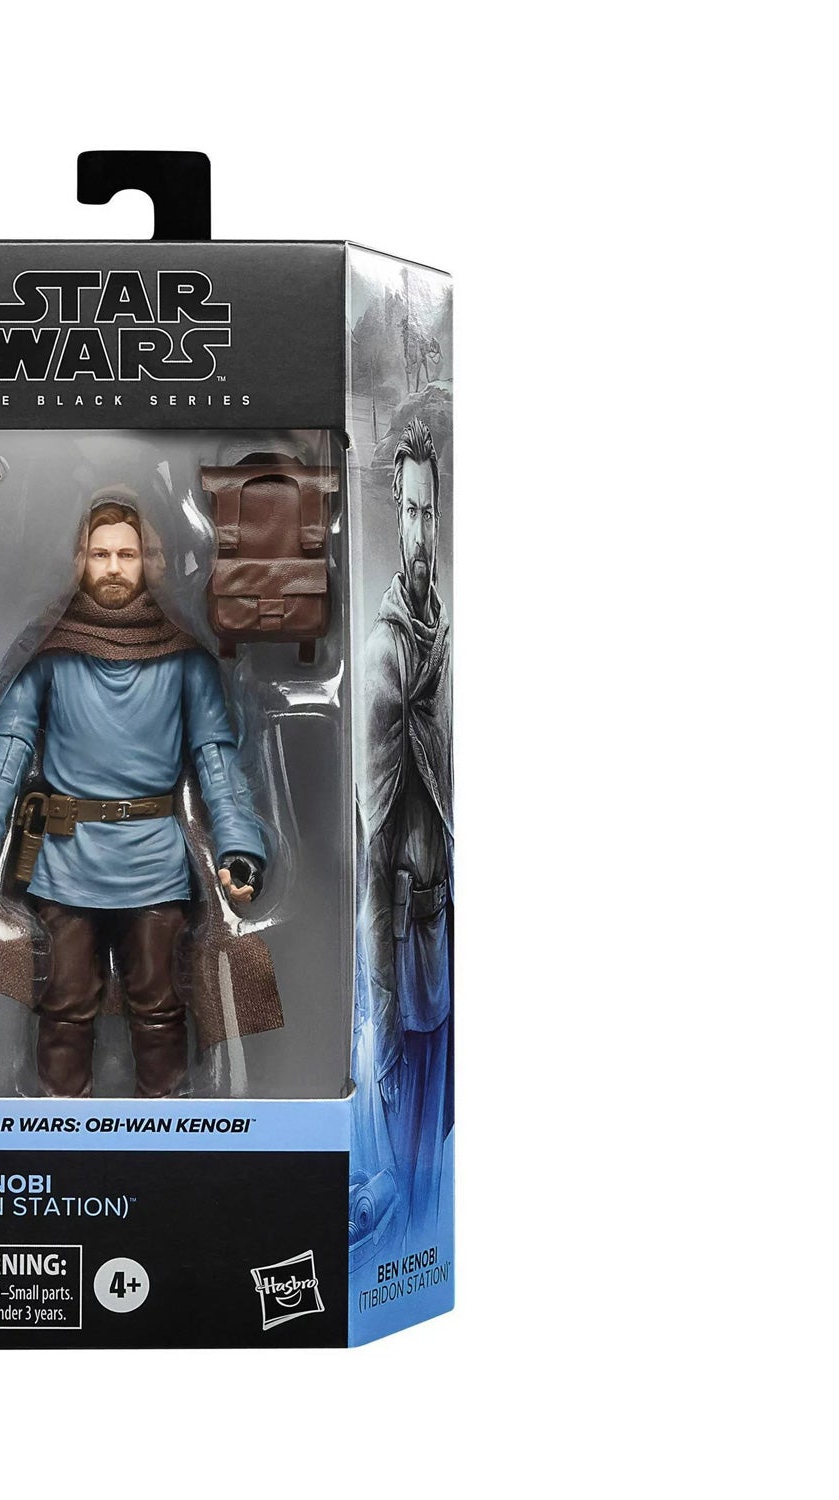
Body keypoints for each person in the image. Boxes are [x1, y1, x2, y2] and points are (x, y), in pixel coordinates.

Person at [0, 490, 266, 1098]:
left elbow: (217, 763)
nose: (114, 567)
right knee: (64, 1008)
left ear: (150, 561)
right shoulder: (49, 657)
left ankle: (165, 1126)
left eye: (126, 554)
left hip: (155, 866)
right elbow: (5, 760)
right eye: (101, 554)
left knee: (161, 1008)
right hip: (67, 864)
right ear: (80, 561)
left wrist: (239, 848)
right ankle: (61, 1124)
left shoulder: (187, 663)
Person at [358, 420, 453, 1234]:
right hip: (403, 966)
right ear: (396, 517)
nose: (422, 533)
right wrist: (383, 1021)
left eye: (431, 512)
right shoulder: (386, 655)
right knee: (407, 1182)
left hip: (446, 951)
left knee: (436, 1185)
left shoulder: (445, 638)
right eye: (411, 513)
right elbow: (370, 850)